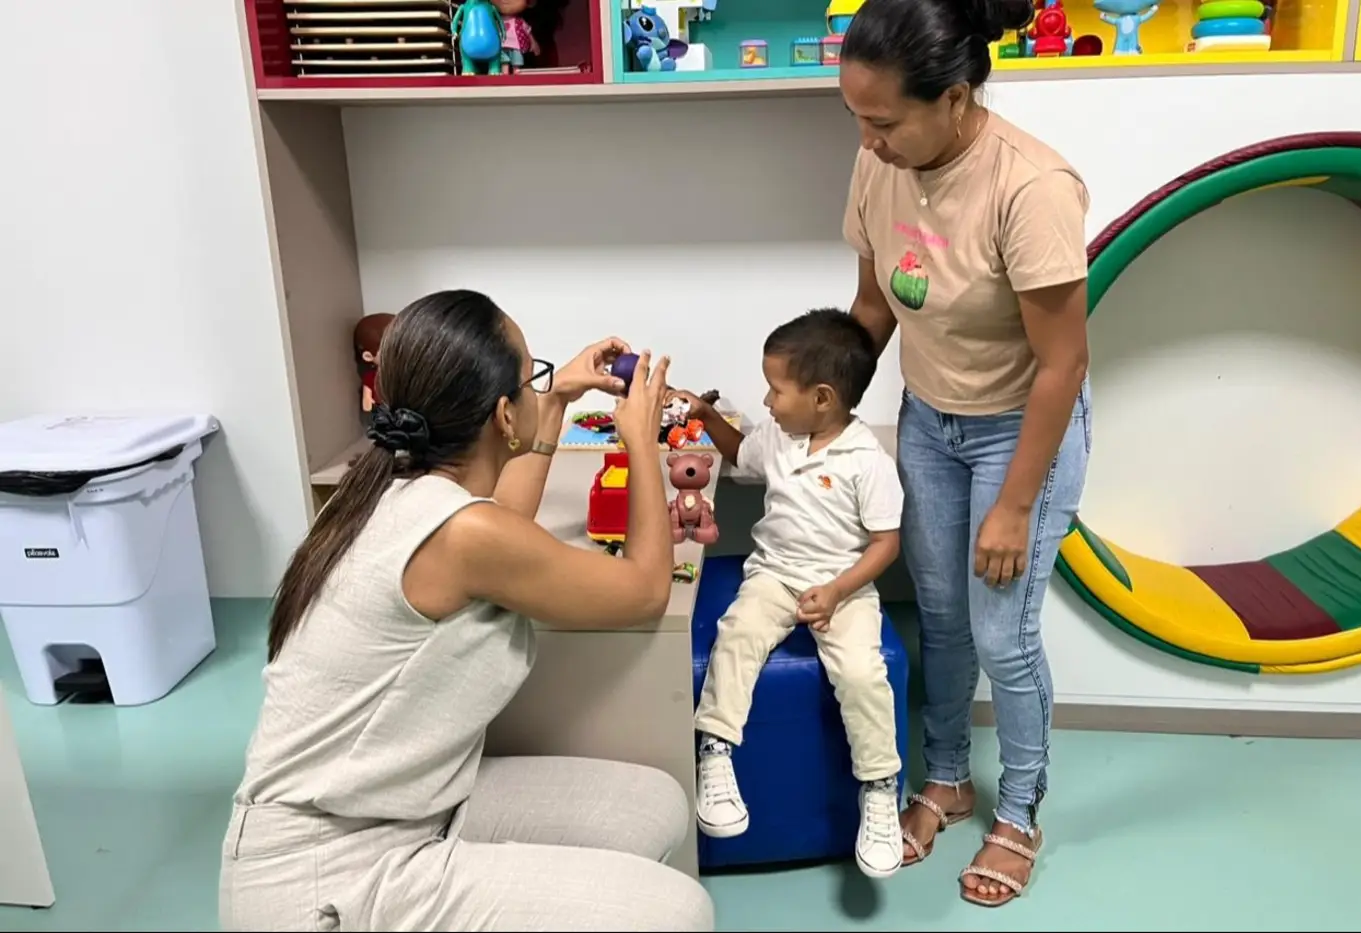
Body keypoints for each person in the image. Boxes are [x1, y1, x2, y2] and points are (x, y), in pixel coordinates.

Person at [218, 290, 715, 932]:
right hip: (329, 875)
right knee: (679, 912)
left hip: (405, 810)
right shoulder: (461, 535)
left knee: (654, 808)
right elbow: (644, 588)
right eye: (533, 377)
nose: (542, 385)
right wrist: (642, 443)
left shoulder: (390, 489)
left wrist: (556, 400)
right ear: (504, 415)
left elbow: (503, 521)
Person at [838, 0, 1093, 909]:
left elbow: (1063, 363)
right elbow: (873, 308)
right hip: (929, 419)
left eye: (883, 121)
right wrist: (820, 403)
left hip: (1020, 428)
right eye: (855, 117)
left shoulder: (1031, 186)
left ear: (953, 98)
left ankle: (1018, 813)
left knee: (1001, 633)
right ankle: (945, 777)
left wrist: (1015, 504)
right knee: (940, 616)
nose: (868, 143)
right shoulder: (879, 167)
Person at [673, 308, 907, 879]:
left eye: (776, 389)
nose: (767, 401)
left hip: (844, 586)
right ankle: (715, 750)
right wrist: (706, 415)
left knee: (861, 673)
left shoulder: (867, 462)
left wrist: (838, 590)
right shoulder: (779, 437)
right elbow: (739, 452)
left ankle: (879, 786)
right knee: (737, 635)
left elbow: (886, 544)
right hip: (775, 574)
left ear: (822, 398)